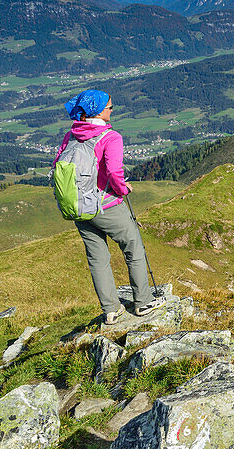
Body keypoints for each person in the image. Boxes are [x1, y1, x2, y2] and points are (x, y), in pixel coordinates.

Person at [54, 89, 162, 324]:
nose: (112, 110)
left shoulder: (71, 135)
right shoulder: (110, 137)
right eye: (110, 107)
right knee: (133, 246)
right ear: (99, 111)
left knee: (97, 257)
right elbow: (114, 172)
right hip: (106, 205)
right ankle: (143, 302)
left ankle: (111, 310)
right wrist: (123, 189)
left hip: (79, 206)